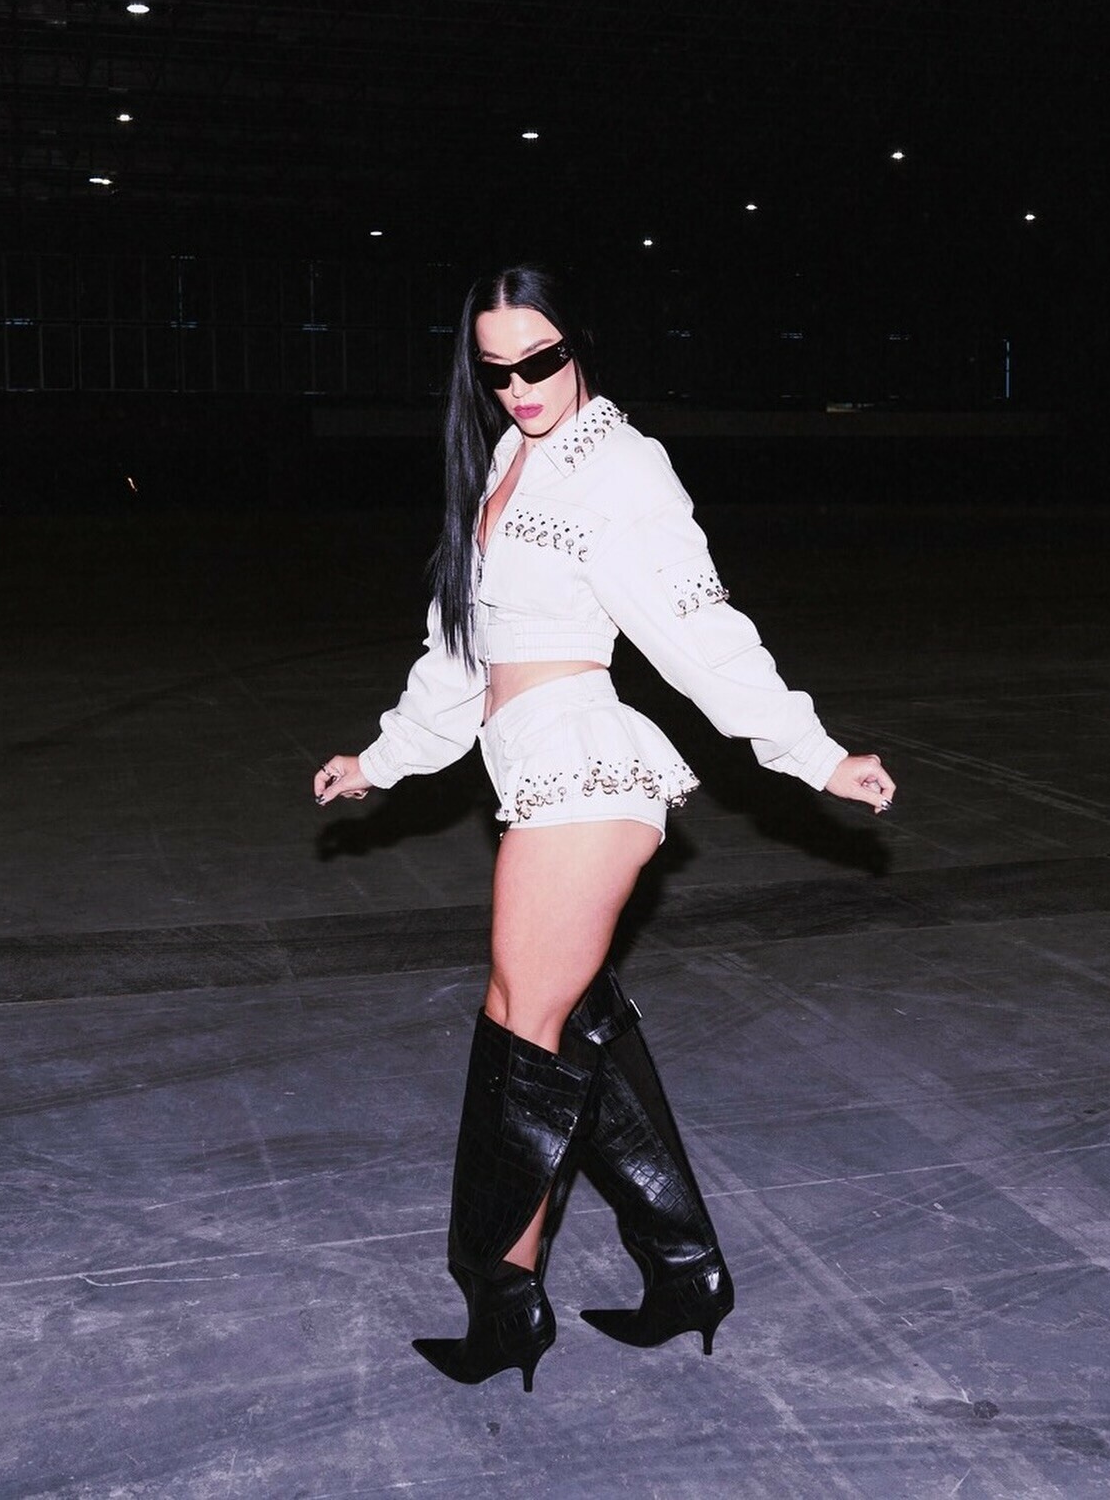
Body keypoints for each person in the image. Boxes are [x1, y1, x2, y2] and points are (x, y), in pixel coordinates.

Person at [314, 265, 895, 1392]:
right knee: (562, 1021)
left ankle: (503, 1301)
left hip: (585, 766)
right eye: (497, 369)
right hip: (533, 758)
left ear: (579, 343)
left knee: (520, 1032)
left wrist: (812, 751)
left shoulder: (620, 464)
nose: (522, 386)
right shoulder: (506, 458)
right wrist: (380, 757)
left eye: (541, 359)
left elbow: (697, 625)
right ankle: (685, 1270)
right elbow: (461, 650)